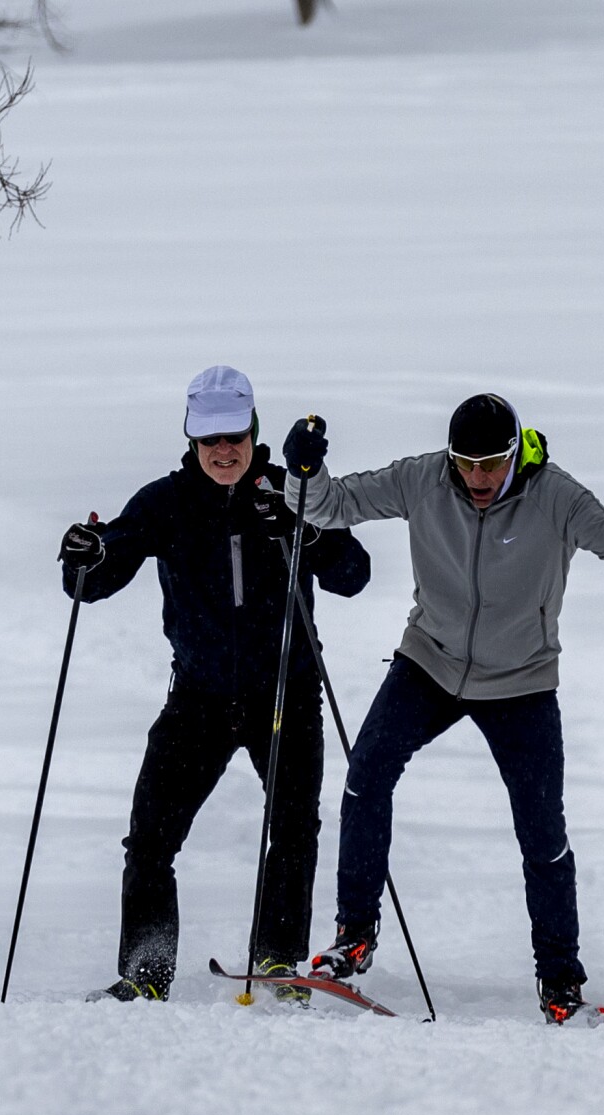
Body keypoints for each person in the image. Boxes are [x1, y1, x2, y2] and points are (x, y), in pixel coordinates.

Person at [278, 393, 604, 1023]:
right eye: (466, 463)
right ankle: (353, 938)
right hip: (429, 662)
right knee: (366, 776)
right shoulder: (423, 478)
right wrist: (306, 472)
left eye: (491, 462)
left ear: (516, 450)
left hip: (522, 681)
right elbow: (328, 505)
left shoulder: (557, 496)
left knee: (543, 835)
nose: (478, 478)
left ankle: (559, 984)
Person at [59, 365, 370, 1002]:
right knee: (150, 838)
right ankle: (145, 973)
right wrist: (83, 555)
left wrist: (304, 530)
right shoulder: (165, 502)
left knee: (293, 827)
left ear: (253, 432)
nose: (223, 452)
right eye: (209, 442)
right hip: (197, 697)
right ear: (191, 440)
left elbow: (353, 574)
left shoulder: (291, 492)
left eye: (234, 437)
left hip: (286, 694)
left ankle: (278, 962)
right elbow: (95, 579)